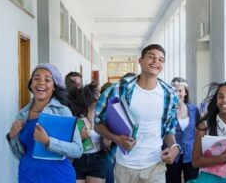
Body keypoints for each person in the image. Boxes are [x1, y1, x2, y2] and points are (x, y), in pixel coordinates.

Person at [94, 44, 180, 183]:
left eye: (160, 59)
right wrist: (116, 139)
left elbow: (169, 129)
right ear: (140, 60)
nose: (156, 62)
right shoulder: (120, 88)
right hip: (125, 166)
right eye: (151, 57)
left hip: (155, 165)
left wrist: (174, 147)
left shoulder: (169, 94)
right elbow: (98, 124)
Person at [6, 63, 83, 183]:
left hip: (59, 178)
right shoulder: (22, 114)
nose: (41, 82)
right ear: (31, 84)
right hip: (27, 177)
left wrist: (48, 141)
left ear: (54, 86)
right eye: (36, 78)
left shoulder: (63, 111)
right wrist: (11, 137)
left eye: (47, 79)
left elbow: (77, 150)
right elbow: (19, 154)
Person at [68, 81, 107, 183]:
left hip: (97, 159)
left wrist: (107, 138)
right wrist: (80, 137)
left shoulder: (102, 116)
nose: (99, 99)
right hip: (78, 158)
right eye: (96, 97)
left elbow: (107, 144)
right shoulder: (76, 117)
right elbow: (65, 143)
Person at [166, 77, 199, 183]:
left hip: (191, 154)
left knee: (192, 181)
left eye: (180, 90)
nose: (177, 93)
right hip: (172, 154)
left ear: (185, 92)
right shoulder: (167, 110)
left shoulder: (194, 110)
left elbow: (198, 129)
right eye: (174, 91)